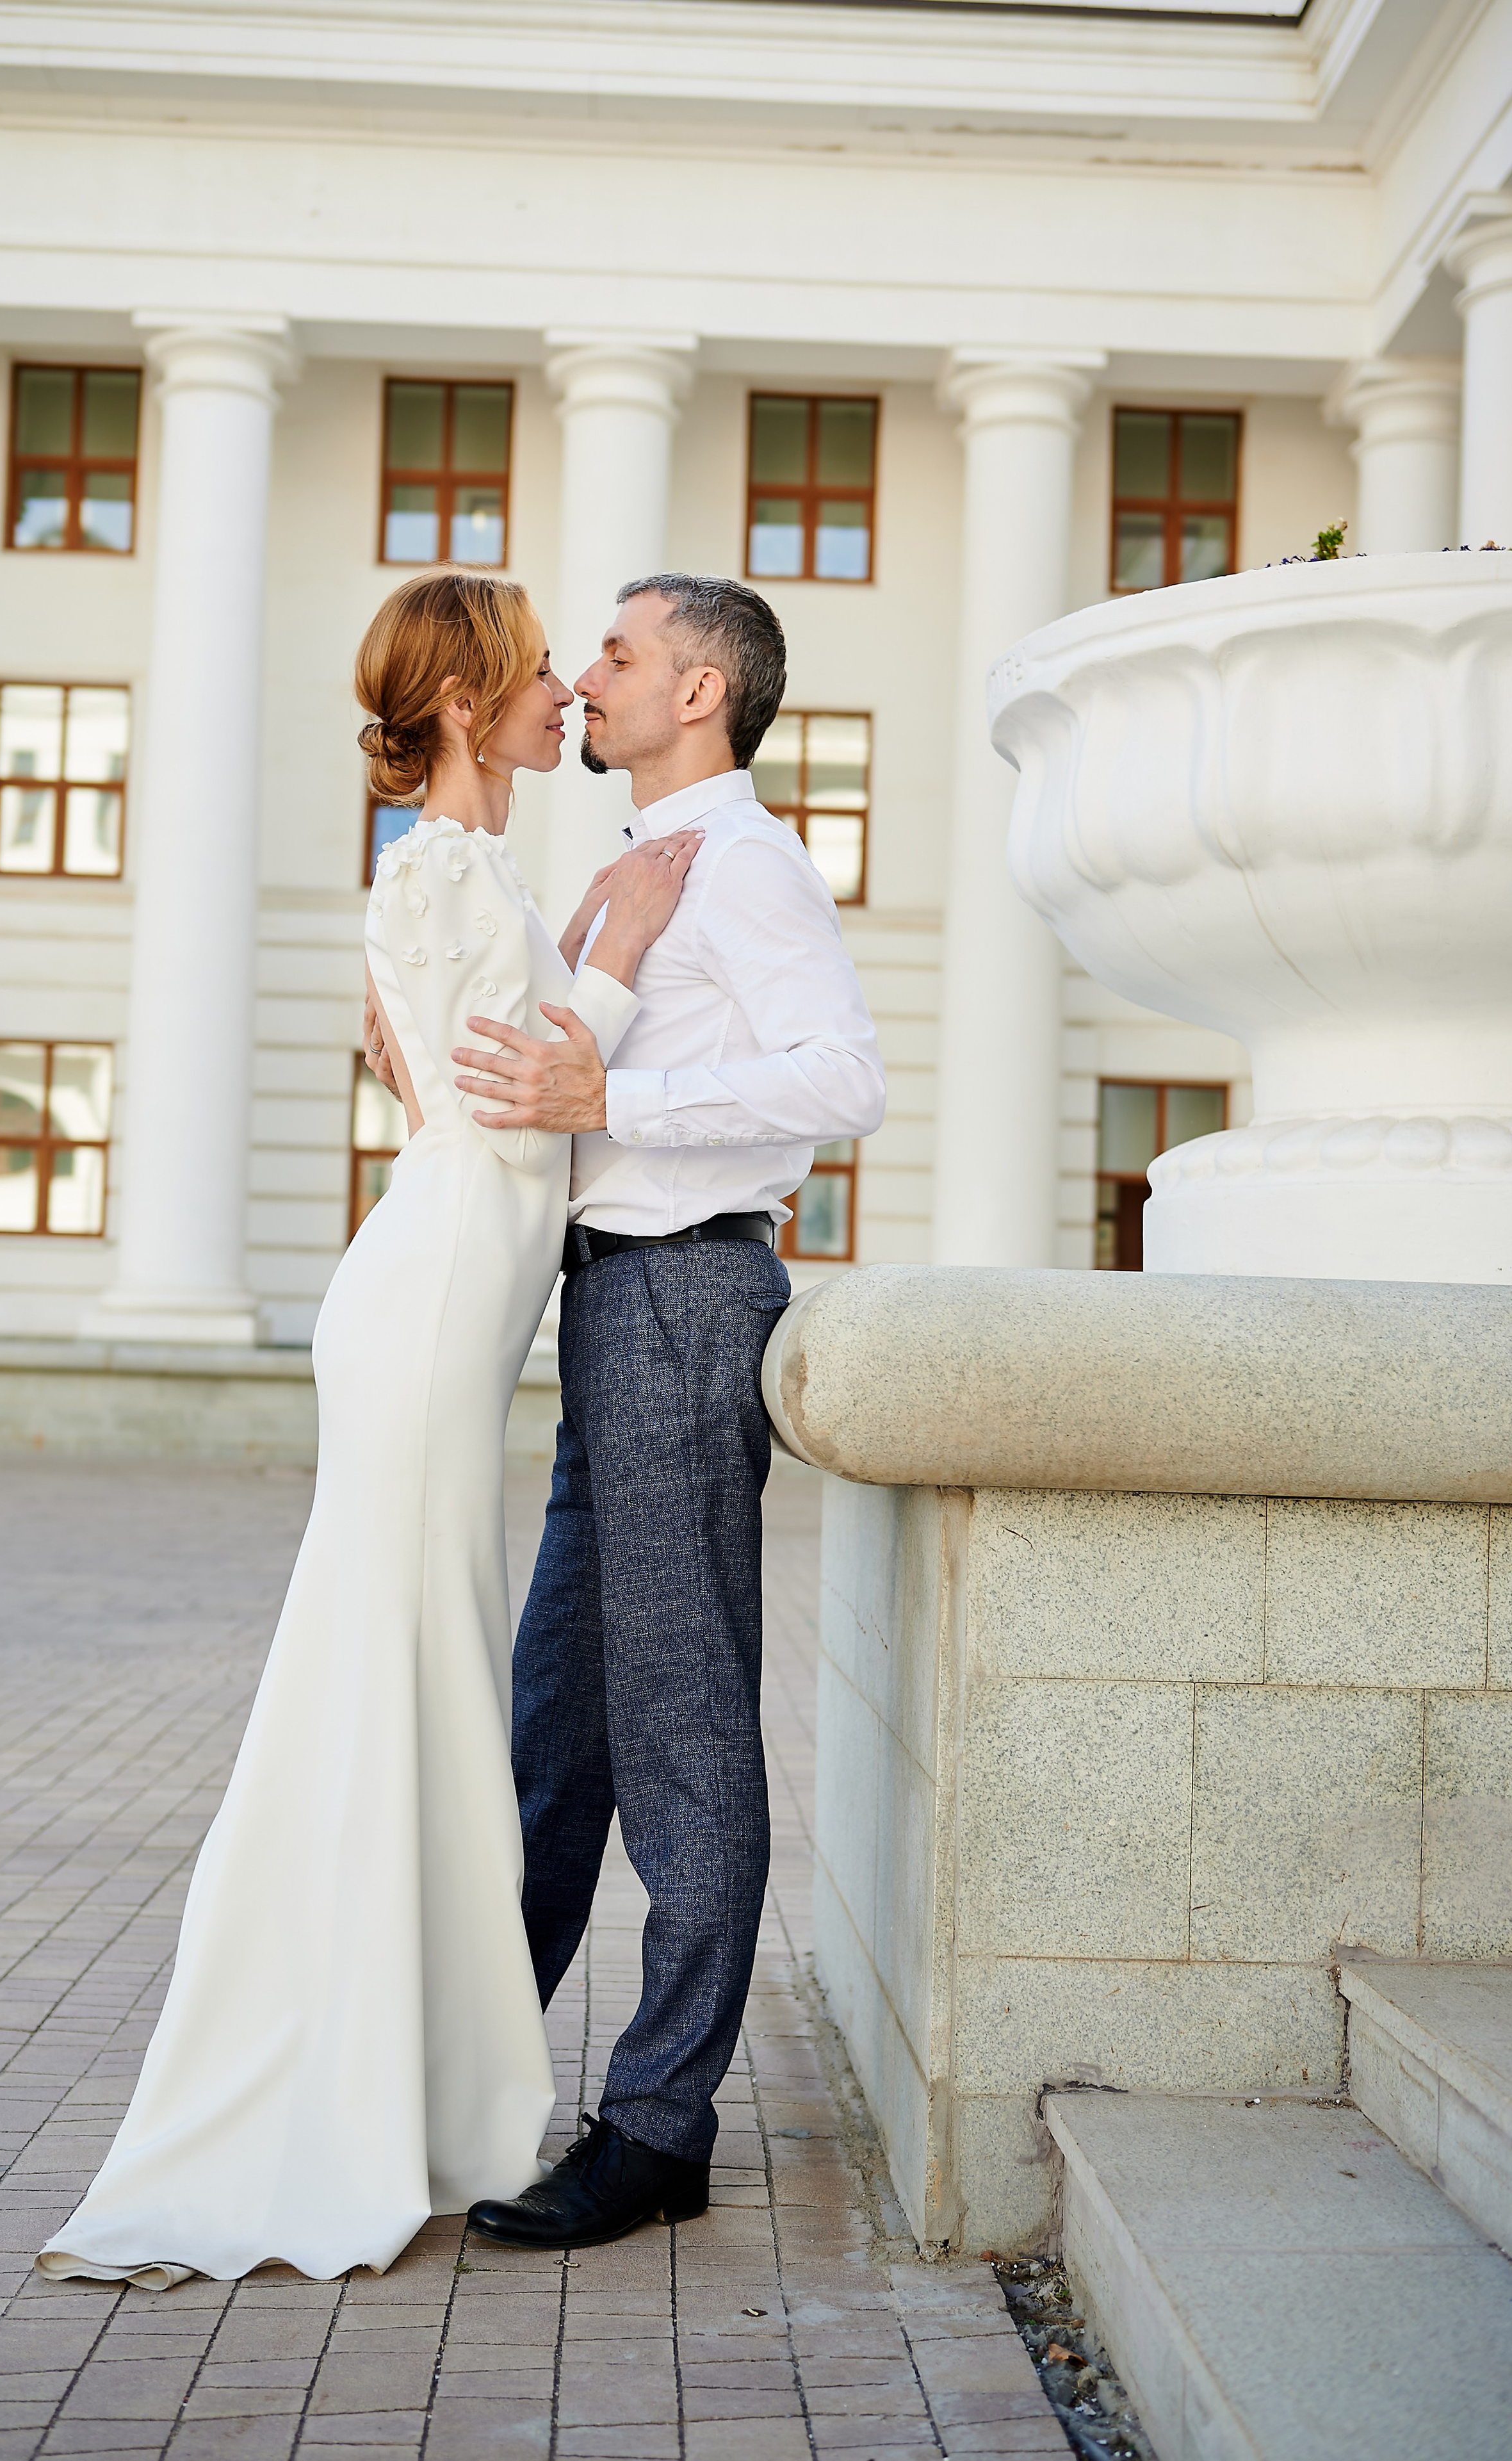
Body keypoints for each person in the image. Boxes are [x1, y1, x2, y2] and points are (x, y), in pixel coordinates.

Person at [35, 569, 699, 2288]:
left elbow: (454, 1078)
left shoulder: (449, 871)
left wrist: (584, 961)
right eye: (541, 672)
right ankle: (356, 2104)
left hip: (436, 1307)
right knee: (398, 1690)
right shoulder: (444, 868)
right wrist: (618, 956)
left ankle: (420, 2098)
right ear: (471, 708)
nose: (567, 692)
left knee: (427, 1691)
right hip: (418, 1321)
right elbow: (505, 1099)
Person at [445, 573, 886, 2250]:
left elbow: (844, 1075)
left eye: (620, 652)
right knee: (558, 1726)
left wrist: (612, 1092)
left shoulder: (747, 863)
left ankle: (657, 2123)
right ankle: (476, 2070)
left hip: (691, 1294)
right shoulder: (639, 861)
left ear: (699, 688)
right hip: (611, 1300)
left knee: (686, 1727)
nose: (591, 674)